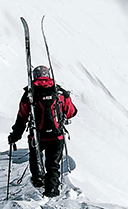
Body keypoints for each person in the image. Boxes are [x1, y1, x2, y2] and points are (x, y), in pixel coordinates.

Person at [8, 65, 77, 197]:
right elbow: (71, 112)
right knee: (53, 165)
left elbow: (22, 116)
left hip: (37, 136)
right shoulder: (59, 92)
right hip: (57, 137)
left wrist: (15, 135)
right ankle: (52, 190)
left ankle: (38, 183)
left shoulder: (30, 93)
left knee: (35, 160)